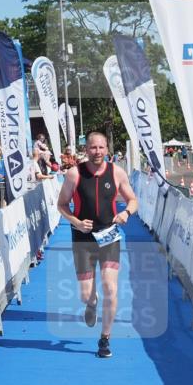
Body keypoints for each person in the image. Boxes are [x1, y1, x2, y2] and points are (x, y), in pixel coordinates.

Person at [56, 131, 139, 359]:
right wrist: (75, 221)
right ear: (86, 149)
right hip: (82, 239)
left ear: (107, 149)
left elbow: (133, 200)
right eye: (93, 148)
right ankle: (92, 303)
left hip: (109, 236)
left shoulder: (117, 172)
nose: (97, 152)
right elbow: (61, 205)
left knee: (111, 288)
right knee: (86, 296)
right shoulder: (74, 174)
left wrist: (126, 213)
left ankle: (105, 339)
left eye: (101, 147)